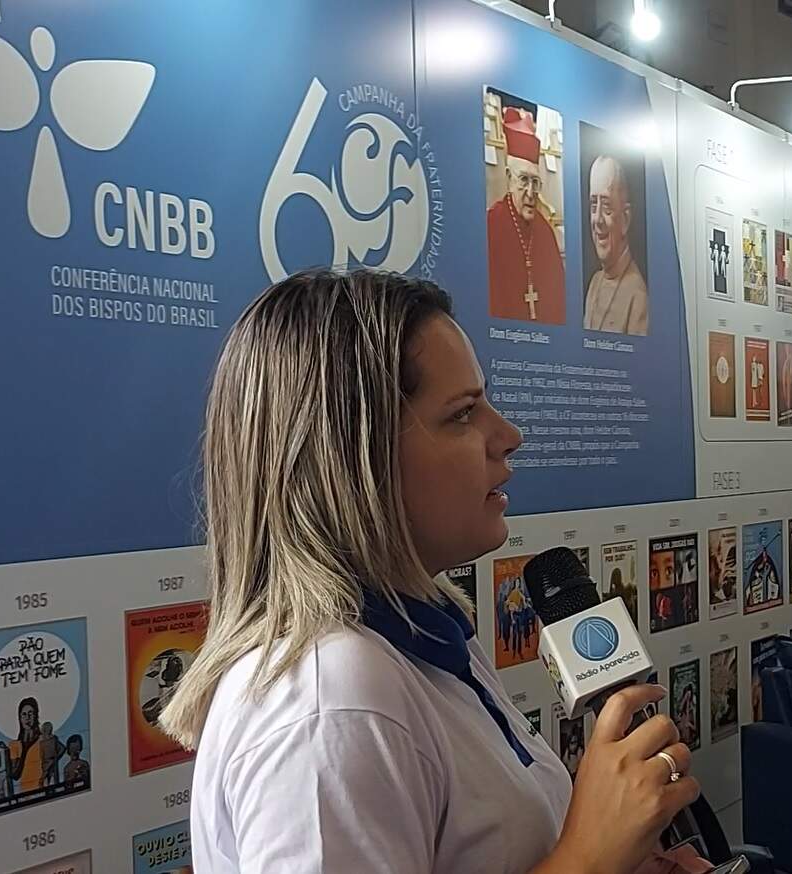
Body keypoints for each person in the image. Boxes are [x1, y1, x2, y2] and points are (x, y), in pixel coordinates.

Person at [163, 269, 698, 874]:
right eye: (463, 414)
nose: (509, 435)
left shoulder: (423, 632)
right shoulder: (329, 701)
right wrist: (588, 860)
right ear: (354, 459)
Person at [488, 109, 567, 324]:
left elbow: (560, 302)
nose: (531, 192)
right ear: (508, 178)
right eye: (523, 180)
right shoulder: (491, 225)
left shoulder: (545, 231)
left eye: (535, 182)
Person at [582, 155, 649, 336]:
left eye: (607, 207)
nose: (597, 220)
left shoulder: (638, 297)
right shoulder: (595, 283)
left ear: (625, 219)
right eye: (593, 205)